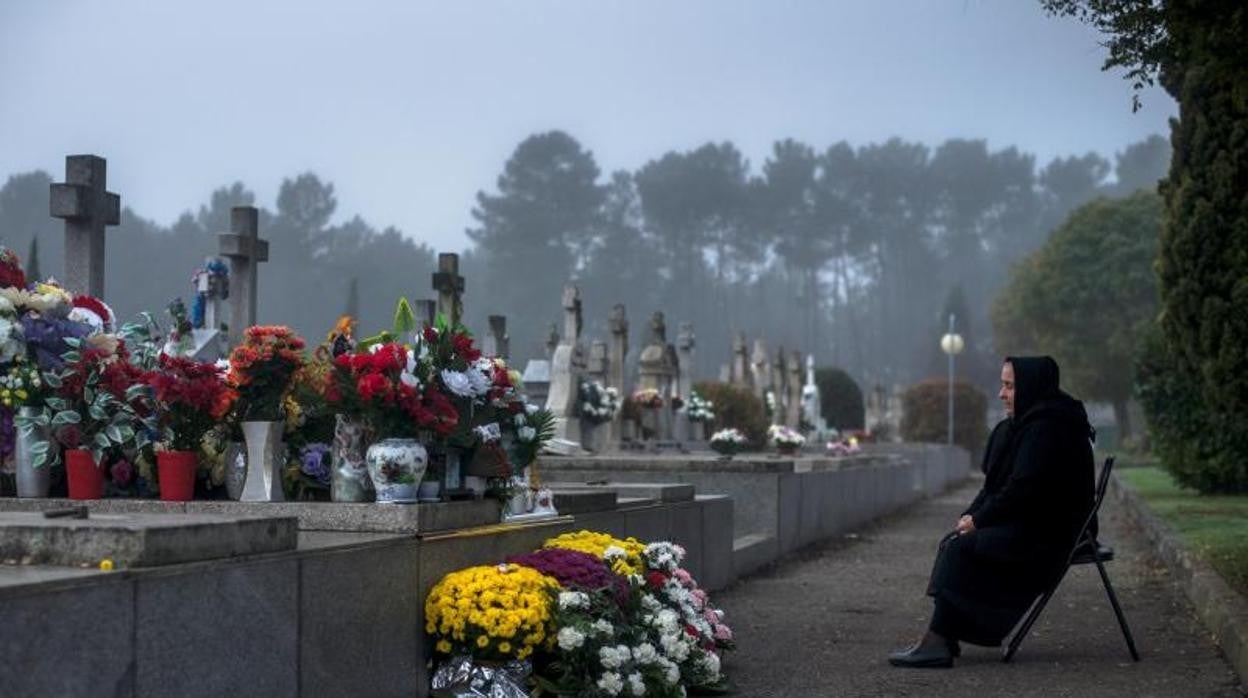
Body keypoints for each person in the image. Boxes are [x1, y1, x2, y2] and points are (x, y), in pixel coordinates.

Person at [888, 355, 1097, 668]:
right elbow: (995, 486)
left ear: (1030, 387)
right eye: (1003, 385)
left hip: (1051, 535)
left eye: (1010, 386)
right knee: (957, 540)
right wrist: (970, 516)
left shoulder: (1048, 428)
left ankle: (937, 642)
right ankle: (943, 637)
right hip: (1034, 524)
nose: (1002, 393)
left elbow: (1023, 489)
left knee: (962, 550)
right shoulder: (1028, 424)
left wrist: (980, 521)